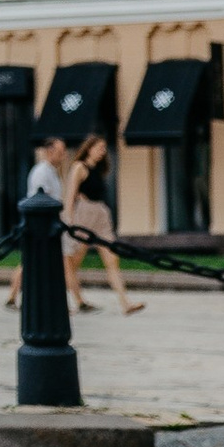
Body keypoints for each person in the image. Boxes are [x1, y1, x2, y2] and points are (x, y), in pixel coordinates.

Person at [66, 134, 143, 317]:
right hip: (84, 215)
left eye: (104, 149)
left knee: (111, 259)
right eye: (99, 148)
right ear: (89, 148)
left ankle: (125, 302)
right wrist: (69, 222)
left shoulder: (99, 170)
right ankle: (73, 300)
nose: (102, 152)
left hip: (101, 215)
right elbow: (70, 196)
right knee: (73, 263)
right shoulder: (79, 167)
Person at [4, 130, 79, 311]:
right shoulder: (41, 172)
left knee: (40, 262)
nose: (62, 156)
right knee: (33, 261)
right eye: (60, 152)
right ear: (49, 151)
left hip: (52, 223)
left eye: (63, 152)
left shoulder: (52, 172)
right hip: (42, 224)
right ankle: (13, 296)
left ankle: (14, 297)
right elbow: (40, 200)